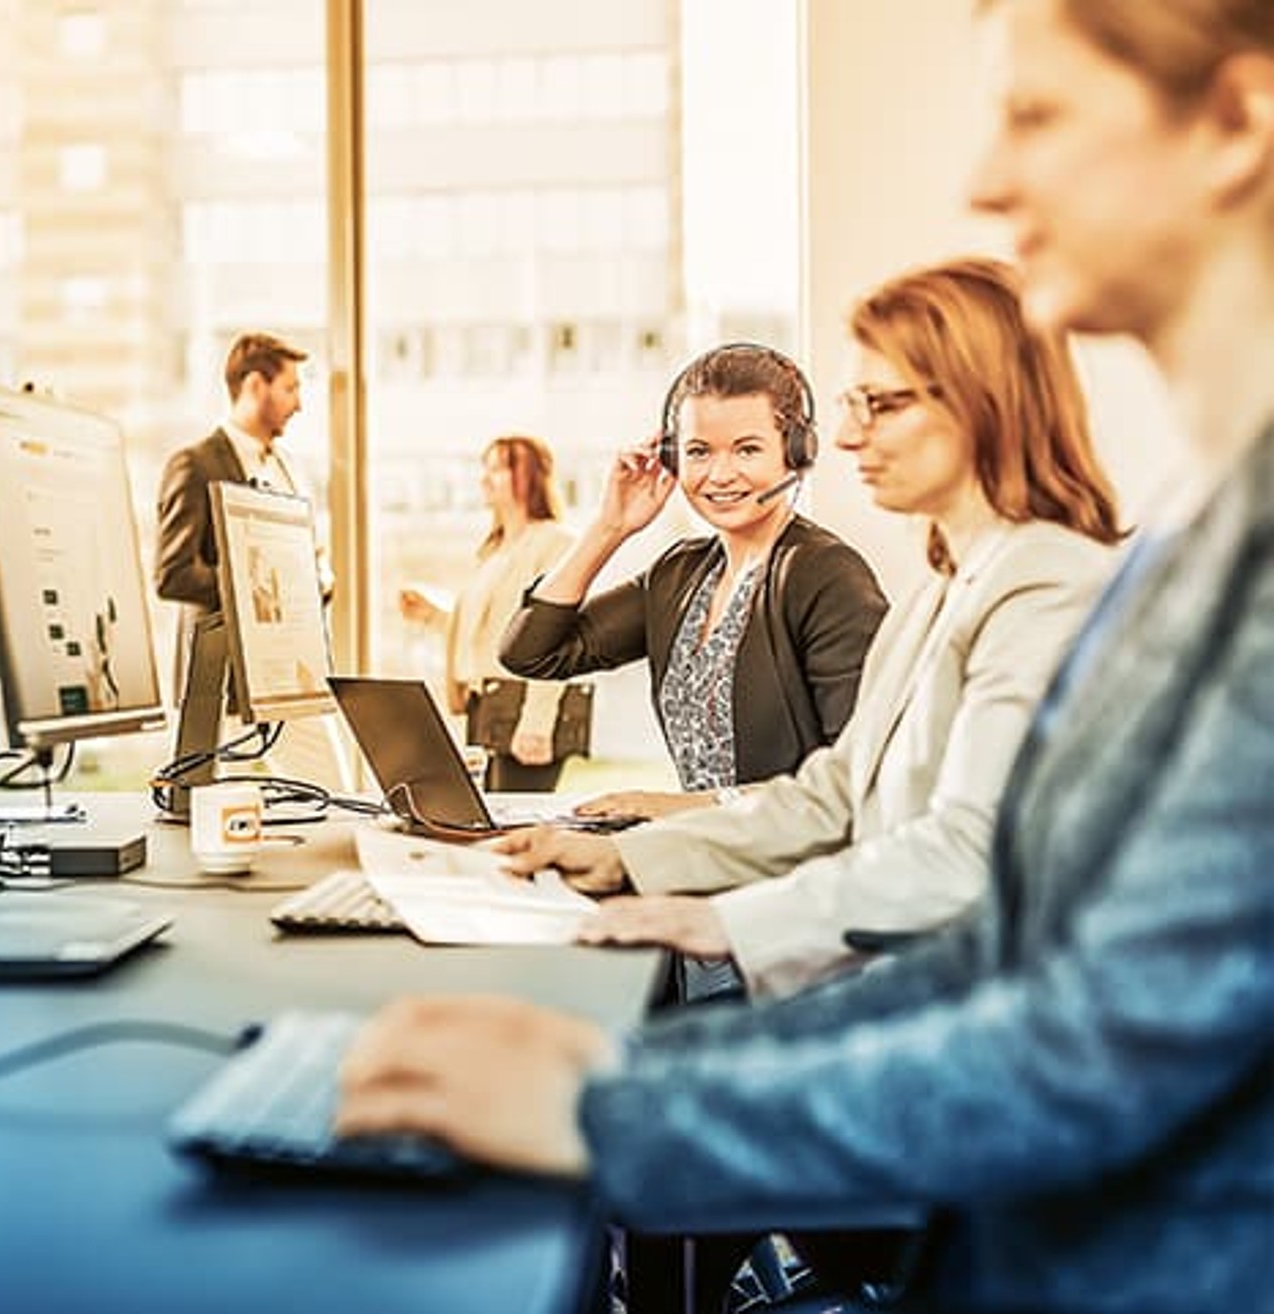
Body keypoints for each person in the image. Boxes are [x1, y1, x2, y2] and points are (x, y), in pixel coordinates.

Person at [335, 2, 1274, 1310]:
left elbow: (1083, 1032)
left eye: (1037, 116)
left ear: (1237, 120)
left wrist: (620, 1104)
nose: (987, 181)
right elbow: (982, 922)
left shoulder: (1101, 570)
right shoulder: (1170, 531)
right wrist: (631, 1044)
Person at [510, 257, 1125, 1001]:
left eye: (882, 404)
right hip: (880, 972)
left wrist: (725, 924)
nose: (849, 435)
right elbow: (834, 794)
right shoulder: (946, 584)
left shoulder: (1042, 583)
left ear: (984, 405)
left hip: (957, 1006)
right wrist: (629, 862)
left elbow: (965, 854)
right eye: (850, 403)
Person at [498, 343, 887, 823]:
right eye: (699, 452)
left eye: (747, 449)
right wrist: (609, 528)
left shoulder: (826, 576)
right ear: (672, 459)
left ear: (795, 453)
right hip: (704, 855)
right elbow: (531, 653)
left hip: (794, 868)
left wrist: (681, 808)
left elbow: (861, 776)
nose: (720, 475)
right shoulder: (679, 575)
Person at [397, 436, 581, 792]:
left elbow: (556, 636)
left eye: (497, 468)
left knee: (514, 832)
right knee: (492, 827)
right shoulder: (494, 551)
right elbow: (493, 632)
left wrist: (538, 722)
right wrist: (432, 615)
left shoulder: (555, 542)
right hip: (488, 709)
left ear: (529, 475)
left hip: (524, 710)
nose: (485, 478)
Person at [154, 331, 311, 672]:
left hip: (284, 674)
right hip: (219, 685)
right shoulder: (195, 465)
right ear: (256, 386)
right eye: (290, 389)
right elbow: (173, 575)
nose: (299, 405)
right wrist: (261, 587)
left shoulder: (288, 469)